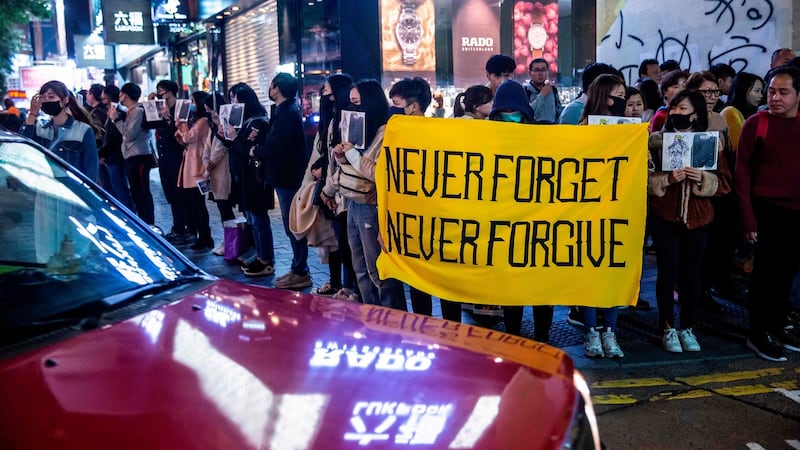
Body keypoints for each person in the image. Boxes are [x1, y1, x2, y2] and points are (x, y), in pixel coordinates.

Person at [647, 89, 732, 353]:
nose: (677, 114)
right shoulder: (656, 142)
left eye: (683, 109)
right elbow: (644, 178)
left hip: (698, 218)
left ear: (697, 114)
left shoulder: (711, 143)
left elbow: (725, 183)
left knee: (692, 274)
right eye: (674, 108)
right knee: (667, 271)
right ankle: (667, 327)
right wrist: (667, 179)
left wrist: (704, 180)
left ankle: (688, 327)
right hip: (665, 215)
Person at [735, 66, 800, 362]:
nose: (774, 98)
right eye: (772, 91)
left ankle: (777, 325)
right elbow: (742, 174)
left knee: (787, 273)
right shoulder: (756, 124)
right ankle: (759, 332)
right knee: (765, 275)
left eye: (783, 92)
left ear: (798, 95)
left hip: (795, 213)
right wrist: (748, 218)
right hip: (766, 211)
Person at [329, 79, 407, 309]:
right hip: (352, 203)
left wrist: (351, 155)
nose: (353, 109)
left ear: (370, 103)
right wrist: (341, 157)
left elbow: (377, 174)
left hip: (371, 205)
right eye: (350, 103)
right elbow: (352, 168)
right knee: (359, 265)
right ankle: (370, 313)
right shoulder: (357, 129)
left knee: (377, 269)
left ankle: (391, 316)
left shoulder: (385, 132)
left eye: (357, 103)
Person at [486, 79, 554, 341]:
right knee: (513, 292)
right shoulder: (485, 139)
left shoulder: (546, 134)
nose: (511, 119)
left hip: (539, 225)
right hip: (510, 226)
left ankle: (541, 341)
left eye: (515, 114)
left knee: (540, 291)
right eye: (504, 115)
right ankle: (517, 339)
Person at [577, 73, 627, 358]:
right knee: (591, 274)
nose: (620, 100)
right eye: (615, 94)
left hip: (619, 209)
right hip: (590, 210)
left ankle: (610, 331)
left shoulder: (631, 128)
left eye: (623, 94)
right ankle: (591, 331)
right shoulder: (583, 126)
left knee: (612, 273)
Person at [254, 73, 311, 289]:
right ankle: (298, 268)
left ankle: (300, 271)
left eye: (270, 84)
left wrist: (257, 150)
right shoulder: (283, 111)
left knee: (293, 225)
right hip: (284, 176)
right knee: (291, 224)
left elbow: (277, 146)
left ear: (276, 88)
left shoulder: (287, 113)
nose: (268, 88)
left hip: (288, 177)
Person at [226, 83, 274, 277]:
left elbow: (247, 149)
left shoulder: (257, 123)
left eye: (235, 100)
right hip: (246, 177)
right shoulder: (245, 123)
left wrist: (235, 138)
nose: (232, 104)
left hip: (256, 177)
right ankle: (260, 256)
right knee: (252, 218)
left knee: (259, 219)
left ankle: (266, 259)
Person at [22, 80, 99, 182]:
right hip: (45, 186)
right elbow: (23, 146)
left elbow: (91, 168)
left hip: (71, 189)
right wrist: (32, 114)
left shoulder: (83, 130)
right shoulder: (40, 129)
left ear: (65, 100)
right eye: (43, 97)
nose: (47, 101)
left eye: (51, 97)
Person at [145, 80, 190, 244]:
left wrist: (169, 118)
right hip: (164, 157)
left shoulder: (181, 107)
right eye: (157, 91)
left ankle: (186, 229)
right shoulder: (160, 107)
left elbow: (182, 134)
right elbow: (149, 125)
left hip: (179, 157)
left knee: (181, 195)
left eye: (161, 91)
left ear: (171, 92)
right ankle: (178, 227)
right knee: (171, 194)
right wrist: (151, 105)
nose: (159, 94)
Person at [108, 83, 155, 225]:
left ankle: (148, 223)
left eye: (121, 94)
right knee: (136, 191)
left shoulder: (137, 112)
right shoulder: (130, 111)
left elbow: (129, 134)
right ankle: (143, 221)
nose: (119, 96)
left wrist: (116, 119)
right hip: (131, 157)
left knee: (142, 191)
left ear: (126, 95)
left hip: (139, 157)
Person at [175, 91, 213, 250]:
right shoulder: (196, 121)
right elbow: (182, 139)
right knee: (194, 203)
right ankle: (201, 235)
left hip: (197, 165)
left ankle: (205, 236)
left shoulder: (203, 121)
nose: (191, 104)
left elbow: (189, 137)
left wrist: (183, 126)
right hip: (190, 163)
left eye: (193, 101)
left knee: (198, 204)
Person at [203, 92, 235, 256]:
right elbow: (208, 147)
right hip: (214, 171)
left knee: (225, 208)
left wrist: (210, 164)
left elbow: (220, 147)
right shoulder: (213, 125)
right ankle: (228, 240)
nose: (209, 113)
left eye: (210, 109)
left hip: (222, 171)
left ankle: (230, 242)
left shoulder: (224, 124)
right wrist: (207, 163)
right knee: (223, 208)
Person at [98, 85, 136, 211]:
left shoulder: (119, 112)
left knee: (121, 189)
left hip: (116, 157)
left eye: (104, 94)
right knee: (115, 188)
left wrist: (101, 154)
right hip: (111, 157)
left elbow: (115, 138)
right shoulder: (111, 112)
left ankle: (129, 216)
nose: (101, 96)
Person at [720, 72, 764, 152]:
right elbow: (740, 150)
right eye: (757, 91)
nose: (761, 95)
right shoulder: (730, 112)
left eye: (761, 92)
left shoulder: (750, 113)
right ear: (743, 90)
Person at [523, 57, 562, 123]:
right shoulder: (525, 91)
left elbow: (558, 112)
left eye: (543, 70)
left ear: (547, 72)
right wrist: (542, 95)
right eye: (536, 70)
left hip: (551, 129)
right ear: (530, 73)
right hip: (533, 130)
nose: (540, 73)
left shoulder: (553, 90)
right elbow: (527, 113)